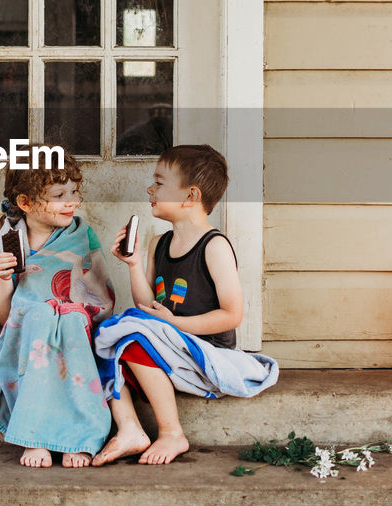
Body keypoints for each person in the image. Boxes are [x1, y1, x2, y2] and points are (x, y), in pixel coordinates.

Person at [92, 144, 278, 466]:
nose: (150, 189)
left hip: (205, 352)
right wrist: (134, 265)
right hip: (168, 345)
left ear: (191, 195)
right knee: (109, 341)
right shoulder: (159, 243)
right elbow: (148, 306)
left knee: (132, 335)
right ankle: (130, 428)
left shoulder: (214, 246)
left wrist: (174, 325)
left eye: (160, 182)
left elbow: (232, 315)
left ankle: (171, 432)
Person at [0, 149, 116, 468]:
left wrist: (69, 309)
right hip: (27, 334)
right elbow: (5, 318)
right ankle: (35, 436)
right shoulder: (10, 240)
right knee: (40, 314)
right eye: (59, 195)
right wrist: (4, 279)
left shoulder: (80, 235)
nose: (71, 201)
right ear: (25, 203)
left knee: (69, 319)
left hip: (73, 332)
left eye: (74, 191)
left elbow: (99, 302)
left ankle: (78, 436)